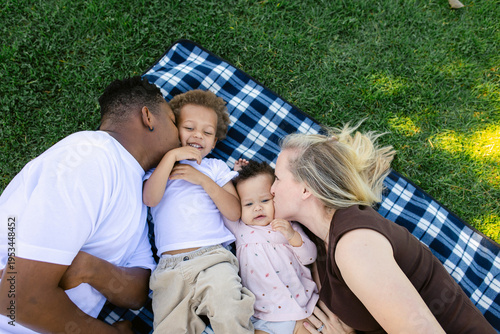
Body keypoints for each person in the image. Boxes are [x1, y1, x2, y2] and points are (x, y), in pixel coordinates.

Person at [270, 123, 497, 334]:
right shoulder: (320, 241)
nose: (271, 189)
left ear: (306, 189)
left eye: (278, 179)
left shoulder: (356, 246)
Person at [0, 76, 180, 333]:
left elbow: (137, 292)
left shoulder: (136, 191)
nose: (181, 137)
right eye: (174, 123)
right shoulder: (91, 156)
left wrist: (90, 268)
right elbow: (18, 299)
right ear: (148, 117)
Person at [143, 90, 255, 334]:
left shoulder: (215, 167)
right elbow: (150, 199)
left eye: (207, 132)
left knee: (230, 311)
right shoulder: (159, 166)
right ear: (174, 131)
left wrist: (205, 181)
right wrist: (172, 156)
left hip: (213, 259)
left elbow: (234, 211)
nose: (198, 136)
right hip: (170, 270)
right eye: (189, 128)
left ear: (214, 142)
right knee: (169, 328)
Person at [225, 160, 319, 334]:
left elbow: (310, 257)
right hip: (261, 316)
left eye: (265, 200)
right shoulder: (239, 228)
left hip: (299, 309)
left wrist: (292, 236)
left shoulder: (286, 224)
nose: (258, 208)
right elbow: (224, 202)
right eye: (248, 204)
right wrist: (232, 177)